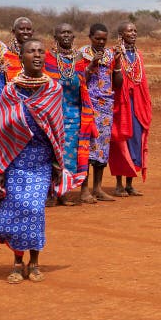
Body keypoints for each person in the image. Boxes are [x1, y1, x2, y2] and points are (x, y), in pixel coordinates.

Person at [0, 39, 73, 283]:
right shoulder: (10, 90)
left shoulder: (53, 89)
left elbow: (58, 130)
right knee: (16, 210)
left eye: (40, 51)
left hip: (41, 161)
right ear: (22, 56)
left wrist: (59, 164)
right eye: (31, 51)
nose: (37, 56)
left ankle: (35, 262)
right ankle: (17, 263)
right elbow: (0, 129)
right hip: (14, 159)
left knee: (35, 210)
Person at [44, 23, 97, 205]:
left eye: (69, 33)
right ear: (55, 36)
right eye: (62, 32)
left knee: (74, 153)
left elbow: (83, 82)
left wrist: (90, 69)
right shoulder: (48, 58)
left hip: (75, 113)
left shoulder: (80, 58)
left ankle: (68, 191)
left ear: (74, 38)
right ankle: (55, 193)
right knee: (54, 154)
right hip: (53, 114)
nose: (66, 35)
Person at [79, 23, 122, 202]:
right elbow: (80, 79)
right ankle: (84, 190)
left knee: (102, 148)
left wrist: (118, 63)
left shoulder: (111, 54)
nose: (101, 42)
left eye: (104, 39)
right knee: (86, 147)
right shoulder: (82, 53)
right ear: (90, 37)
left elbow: (118, 83)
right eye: (98, 39)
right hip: (88, 105)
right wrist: (92, 64)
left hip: (106, 107)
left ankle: (98, 188)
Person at [109, 22, 152, 196]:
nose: (133, 33)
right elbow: (113, 80)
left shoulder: (138, 55)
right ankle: (119, 183)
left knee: (136, 140)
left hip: (137, 105)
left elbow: (142, 81)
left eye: (135, 30)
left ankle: (129, 183)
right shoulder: (114, 54)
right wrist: (118, 60)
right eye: (129, 31)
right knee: (120, 141)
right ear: (121, 34)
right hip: (120, 104)